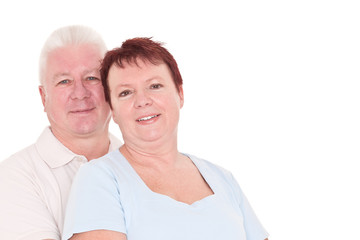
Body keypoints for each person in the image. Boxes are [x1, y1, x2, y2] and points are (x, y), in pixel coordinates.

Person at [62, 37, 269, 240]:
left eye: (155, 86)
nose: (142, 101)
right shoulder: (99, 178)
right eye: (126, 92)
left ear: (180, 94)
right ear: (113, 111)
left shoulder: (223, 179)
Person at [0, 25, 122, 240]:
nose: (80, 93)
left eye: (92, 77)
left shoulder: (140, 162)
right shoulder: (14, 176)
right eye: (64, 81)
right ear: (43, 97)